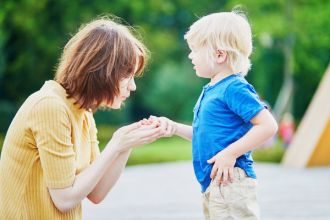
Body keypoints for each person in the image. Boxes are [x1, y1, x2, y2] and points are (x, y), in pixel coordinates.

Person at [0, 17, 164, 219]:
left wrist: (125, 145)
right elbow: (64, 199)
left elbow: (96, 193)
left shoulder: (83, 112)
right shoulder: (50, 106)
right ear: (102, 71)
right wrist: (114, 145)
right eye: (127, 75)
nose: (133, 86)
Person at [147, 11, 278, 219]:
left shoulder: (233, 87)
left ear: (219, 55)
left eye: (195, 50)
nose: (190, 56)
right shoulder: (212, 89)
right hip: (214, 183)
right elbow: (206, 135)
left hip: (231, 182)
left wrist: (230, 153)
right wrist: (174, 127)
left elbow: (268, 125)